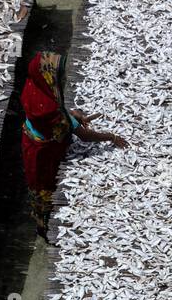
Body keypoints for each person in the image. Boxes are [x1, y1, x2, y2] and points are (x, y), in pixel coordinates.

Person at [21, 50, 127, 240]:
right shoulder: (50, 111)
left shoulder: (32, 85)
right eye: (58, 74)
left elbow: (57, 113)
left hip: (29, 139)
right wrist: (111, 137)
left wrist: (71, 114)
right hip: (43, 152)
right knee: (44, 185)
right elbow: (85, 136)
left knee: (35, 182)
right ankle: (44, 228)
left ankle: (40, 219)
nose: (61, 77)